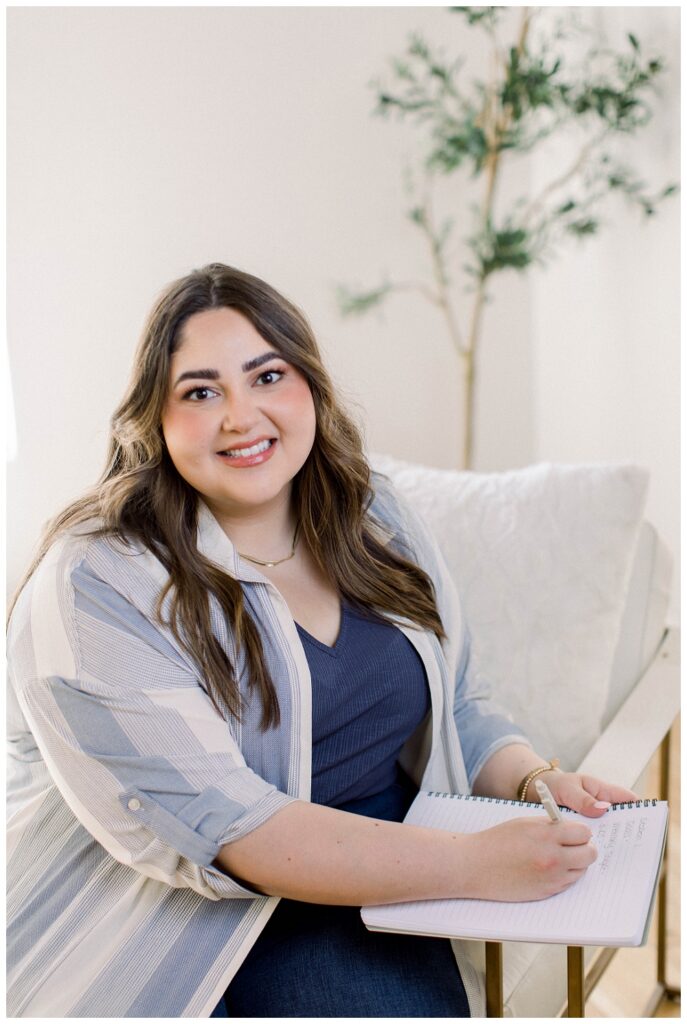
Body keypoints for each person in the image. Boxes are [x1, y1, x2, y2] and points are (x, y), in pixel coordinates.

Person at [7, 263, 639, 1018]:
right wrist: (472, 863)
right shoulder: (98, 581)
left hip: (391, 871)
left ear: (309, 385)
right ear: (154, 417)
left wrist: (537, 780)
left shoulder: (371, 513)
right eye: (200, 392)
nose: (241, 416)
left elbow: (459, 701)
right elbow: (237, 831)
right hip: (205, 923)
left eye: (267, 375)